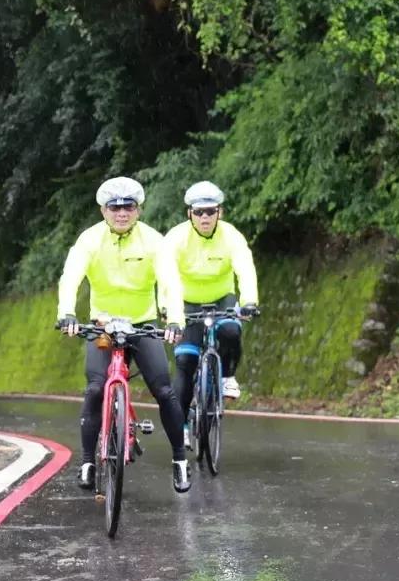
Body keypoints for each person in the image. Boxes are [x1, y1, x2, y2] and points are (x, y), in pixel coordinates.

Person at [56, 176, 191, 493]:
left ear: (139, 209)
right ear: (103, 210)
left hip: (142, 324)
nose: (121, 212)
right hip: (101, 326)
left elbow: (170, 282)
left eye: (128, 206)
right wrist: (67, 313)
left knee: (164, 390)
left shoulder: (154, 241)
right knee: (95, 388)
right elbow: (70, 277)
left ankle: (180, 462)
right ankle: (89, 462)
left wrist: (174, 319)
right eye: (114, 207)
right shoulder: (89, 240)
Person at [164, 181, 259, 444]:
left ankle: (228, 376)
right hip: (186, 302)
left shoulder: (232, 236)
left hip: (222, 298)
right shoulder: (176, 238)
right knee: (185, 363)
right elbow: (166, 276)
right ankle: (181, 427)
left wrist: (249, 300)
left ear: (220, 212)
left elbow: (245, 267)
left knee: (230, 330)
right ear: (189, 214)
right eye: (198, 212)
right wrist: (169, 311)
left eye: (210, 211)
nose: (204, 217)